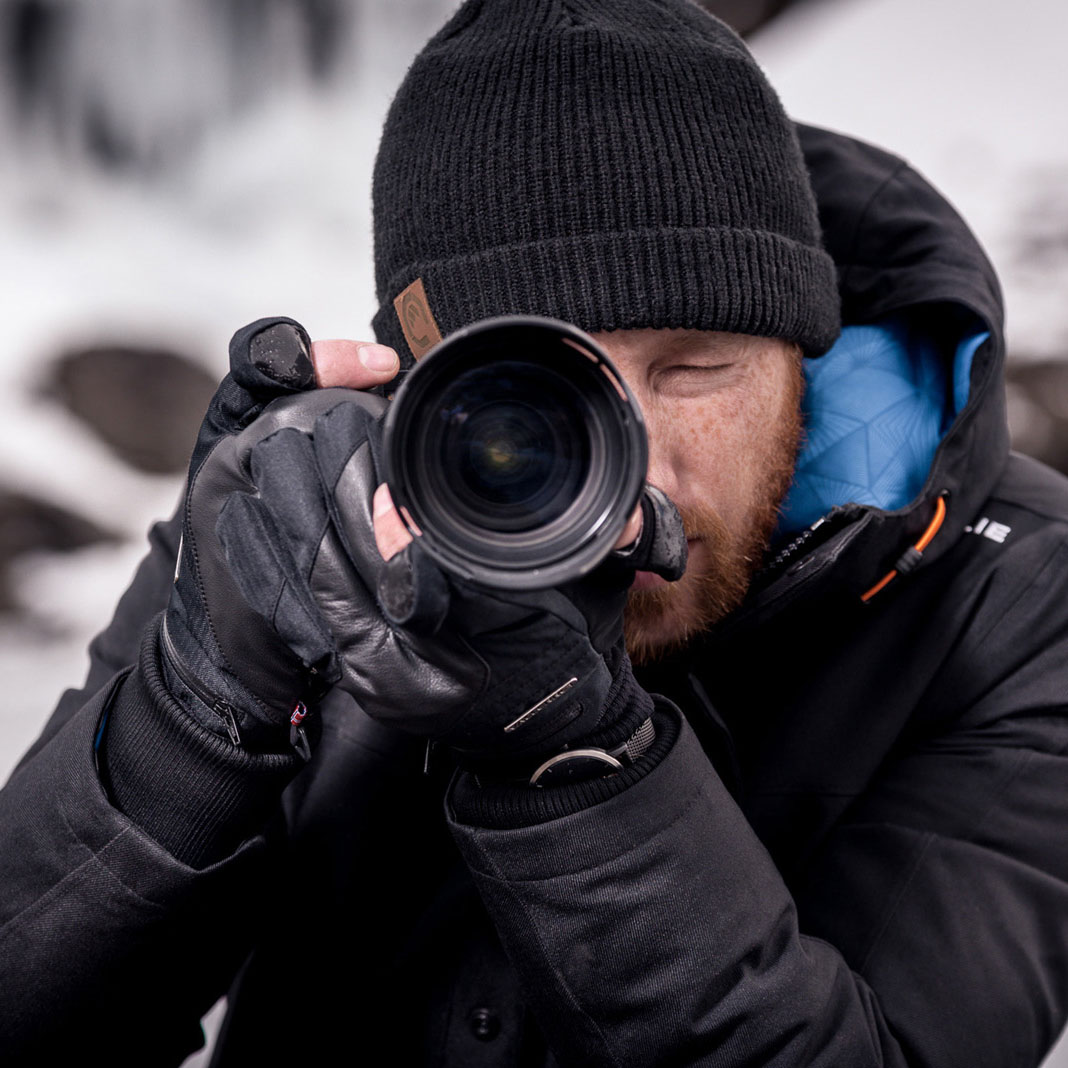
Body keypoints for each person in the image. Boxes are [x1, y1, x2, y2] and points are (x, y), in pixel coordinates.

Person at [3, 0, 1067, 1064]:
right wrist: (197, 713)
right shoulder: (316, 530)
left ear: (803, 354)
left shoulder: (1019, 601)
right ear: (422, 377)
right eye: (541, 394)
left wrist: (573, 758)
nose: (633, 468)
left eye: (693, 369)